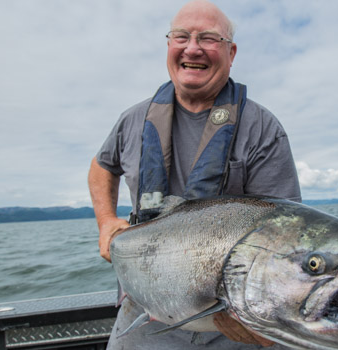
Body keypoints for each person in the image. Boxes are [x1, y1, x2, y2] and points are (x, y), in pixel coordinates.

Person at [88, 1, 301, 348]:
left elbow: (282, 238)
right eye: (181, 37)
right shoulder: (132, 121)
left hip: (230, 324)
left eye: (209, 39)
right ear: (169, 46)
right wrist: (106, 220)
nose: (193, 48)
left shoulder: (263, 129)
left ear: (231, 53)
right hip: (142, 316)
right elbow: (101, 166)